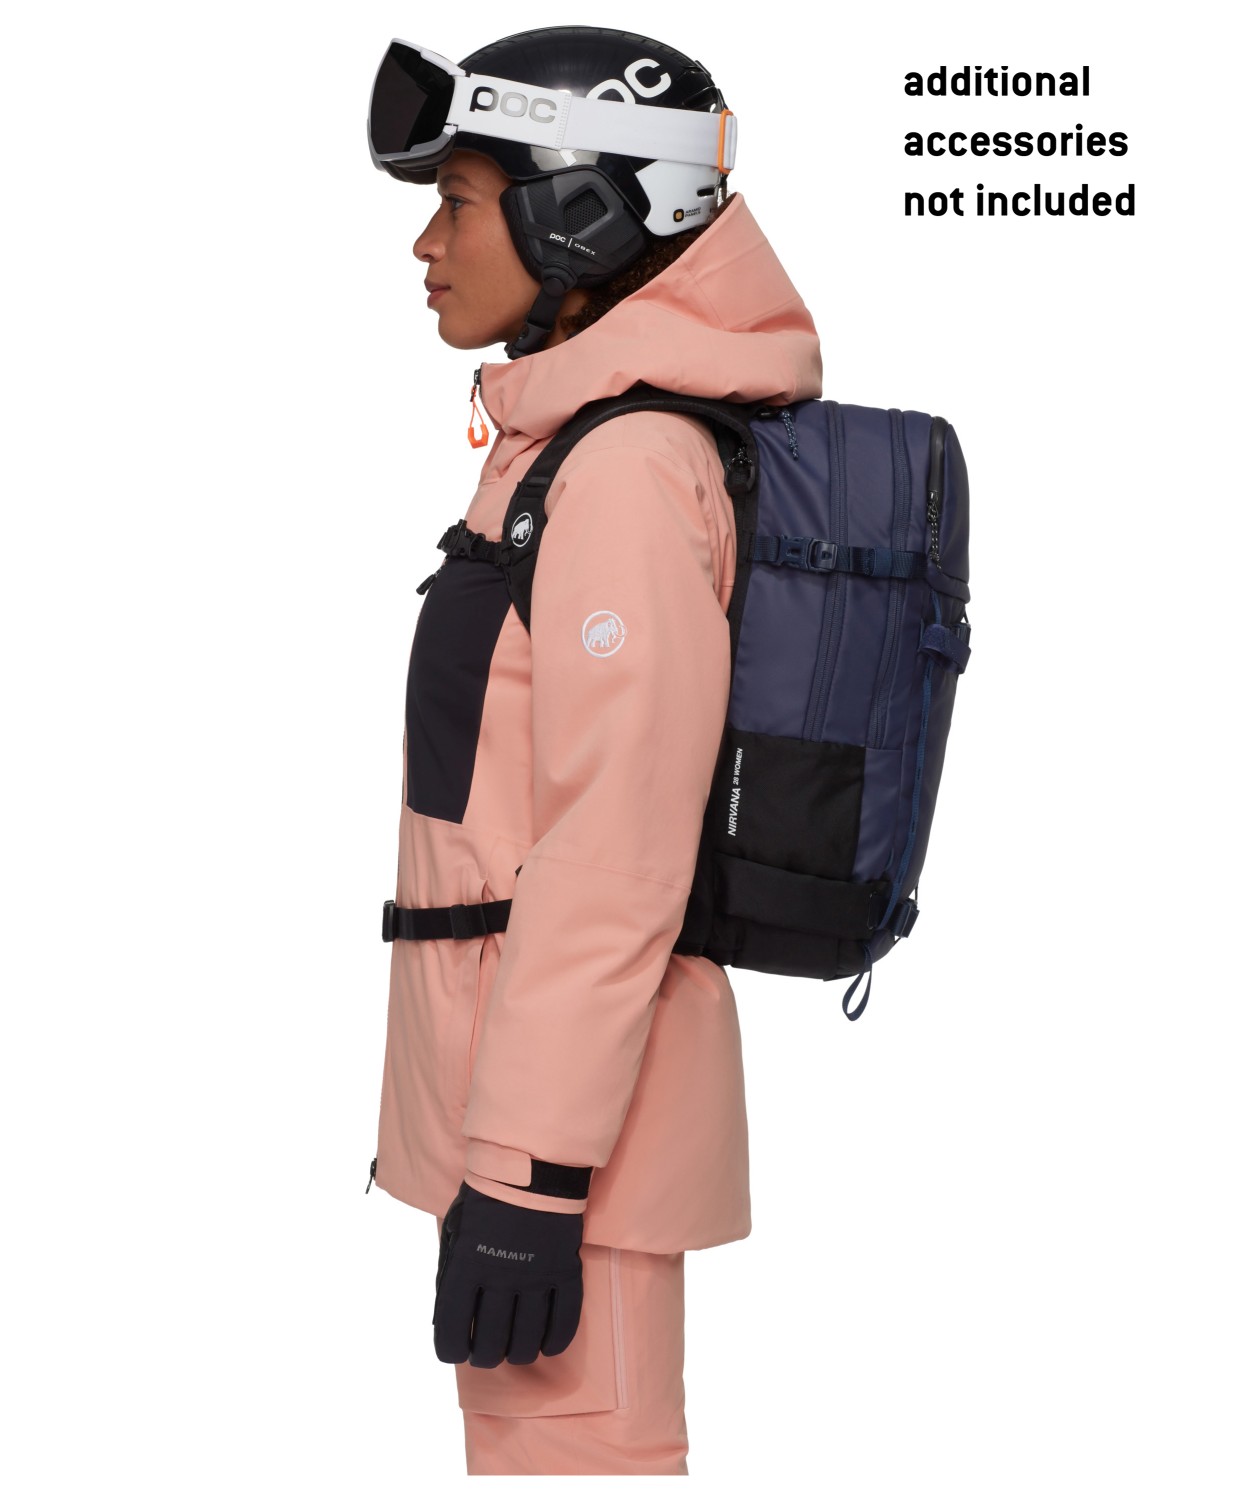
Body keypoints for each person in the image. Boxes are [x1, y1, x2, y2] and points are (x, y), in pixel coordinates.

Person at [365, 27, 822, 1476]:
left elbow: (617, 851)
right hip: (527, 1115)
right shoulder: (565, 447)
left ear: (576, 212)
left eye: (458, 202)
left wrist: (527, 1180)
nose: (426, 244)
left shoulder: (625, 471)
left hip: (569, 1153)